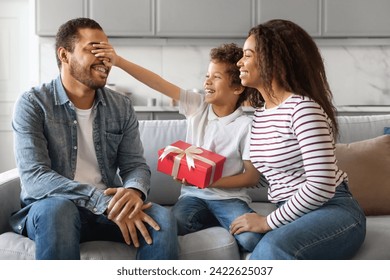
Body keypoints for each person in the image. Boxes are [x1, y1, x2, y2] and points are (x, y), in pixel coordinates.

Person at [10, 17, 178, 260]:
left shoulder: (121, 106)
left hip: (108, 209)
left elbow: (135, 166)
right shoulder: (33, 103)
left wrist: (133, 192)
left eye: (107, 50)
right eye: (94, 49)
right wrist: (101, 201)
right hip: (53, 208)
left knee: (162, 218)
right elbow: (35, 177)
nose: (105, 58)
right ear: (64, 55)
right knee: (58, 210)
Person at [92, 42, 263, 252]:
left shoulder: (246, 126)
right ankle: (219, 224)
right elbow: (157, 82)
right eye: (207, 75)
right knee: (167, 228)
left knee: (252, 240)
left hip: (230, 199)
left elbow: (252, 177)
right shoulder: (197, 107)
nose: (207, 82)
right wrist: (119, 62)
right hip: (192, 198)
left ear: (237, 88)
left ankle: (224, 222)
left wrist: (208, 181)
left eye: (216, 77)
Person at [230, 19, 366, 259]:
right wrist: (214, 174)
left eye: (248, 55)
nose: (239, 62)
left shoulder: (303, 109)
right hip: (292, 210)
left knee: (273, 249)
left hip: (332, 209)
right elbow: (272, 175)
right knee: (249, 239)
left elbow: (321, 186)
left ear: (275, 61)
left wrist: (267, 222)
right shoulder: (261, 114)